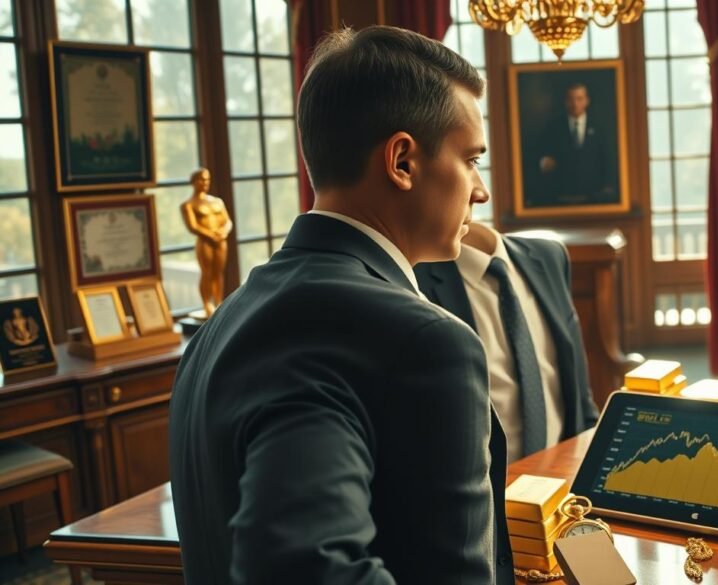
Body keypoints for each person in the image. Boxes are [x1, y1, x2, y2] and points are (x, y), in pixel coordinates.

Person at [169, 26, 510, 585]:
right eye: (472, 159)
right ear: (402, 161)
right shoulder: (422, 341)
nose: (480, 190)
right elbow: (296, 561)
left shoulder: (219, 325)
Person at [415, 223, 600, 464]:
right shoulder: (414, 278)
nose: (481, 193)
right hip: (487, 490)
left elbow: (580, 399)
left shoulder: (550, 256)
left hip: (563, 477)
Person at [530, 83, 618, 206]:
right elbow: (540, 157)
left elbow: (608, 159)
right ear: (566, 102)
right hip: (562, 195)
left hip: (594, 196)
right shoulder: (553, 128)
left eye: (579, 99)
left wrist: (608, 186)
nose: (575, 104)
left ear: (587, 101)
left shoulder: (600, 127)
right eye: (571, 99)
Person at [180, 168, 233, 317]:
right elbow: (193, 226)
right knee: (207, 273)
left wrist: (223, 232)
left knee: (218, 272)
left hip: (220, 240)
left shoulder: (217, 201)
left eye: (207, 179)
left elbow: (228, 221)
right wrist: (210, 235)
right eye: (201, 179)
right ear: (193, 182)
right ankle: (207, 305)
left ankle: (218, 302)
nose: (205, 182)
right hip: (205, 242)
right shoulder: (189, 204)